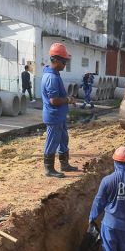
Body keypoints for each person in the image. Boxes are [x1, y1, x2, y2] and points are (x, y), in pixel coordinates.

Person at [41, 43, 77, 178]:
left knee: (63, 139)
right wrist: (68, 100)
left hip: (59, 116)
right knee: (52, 141)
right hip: (53, 116)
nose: (65, 64)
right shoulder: (51, 78)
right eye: (64, 61)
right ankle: (49, 169)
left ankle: (64, 164)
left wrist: (67, 99)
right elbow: (54, 101)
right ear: (55, 60)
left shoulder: (54, 74)